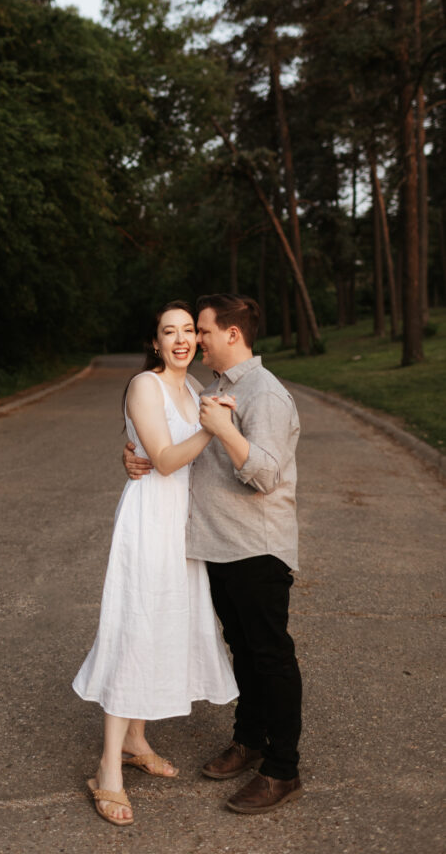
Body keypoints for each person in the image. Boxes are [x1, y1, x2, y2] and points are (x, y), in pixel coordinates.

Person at [123, 293, 303, 814]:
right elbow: (168, 436)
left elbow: (265, 474)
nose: (194, 340)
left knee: (270, 655)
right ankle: (249, 739)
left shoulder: (265, 395)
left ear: (231, 334)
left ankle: (282, 768)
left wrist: (223, 429)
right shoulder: (215, 386)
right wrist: (131, 454)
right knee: (243, 649)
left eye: (201, 330)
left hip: (255, 546)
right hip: (218, 545)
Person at [73, 300, 238, 827]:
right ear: (155, 341)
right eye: (170, 332)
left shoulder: (193, 389)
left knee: (163, 629)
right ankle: (107, 771)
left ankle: (137, 741)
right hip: (149, 523)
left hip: (182, 527)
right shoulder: (145, 385)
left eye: (189, 330)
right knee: (135, 631)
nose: (182, 339)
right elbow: (165, 460)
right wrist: (213, 429)